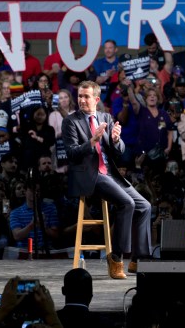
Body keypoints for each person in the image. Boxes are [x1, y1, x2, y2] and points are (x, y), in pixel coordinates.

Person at [62, 80, 151, 279]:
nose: (82, 100)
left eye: (86, 96)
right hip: (89, 175)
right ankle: (117, 258)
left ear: (96, 99)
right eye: (80, 96)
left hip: (110, 173)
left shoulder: (106, 117)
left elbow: (119, 152)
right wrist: (92, 141)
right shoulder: (71, 121)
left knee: (144, 206)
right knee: (127, 203)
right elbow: (71, 154)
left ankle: (139, 259)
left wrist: (116, 139)